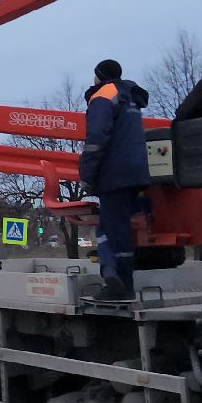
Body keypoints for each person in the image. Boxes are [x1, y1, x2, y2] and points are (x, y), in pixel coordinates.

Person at [78, 58, 151, 303]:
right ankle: (116, 277)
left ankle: (119, 284)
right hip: (136, 172)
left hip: (114, 174)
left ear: (99, 75)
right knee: (115, 227)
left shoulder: (103, 96)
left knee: (113, 229)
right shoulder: (129, 96)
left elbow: (97, 138)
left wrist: (87, 175)